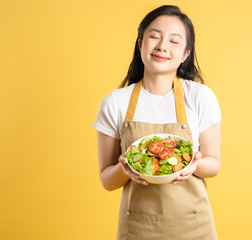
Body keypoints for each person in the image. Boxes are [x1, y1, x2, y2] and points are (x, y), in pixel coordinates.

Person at [92, 5, 221, 240]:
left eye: (174, 41)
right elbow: (106, 181)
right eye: (154, 36)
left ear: (185, 54)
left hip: (194, 225)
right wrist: (124, 169)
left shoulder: (201, 97)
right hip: (138, 227)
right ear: (140, 43)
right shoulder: (115, 103)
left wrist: (193, 165)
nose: (162, 45)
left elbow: (214, 164)